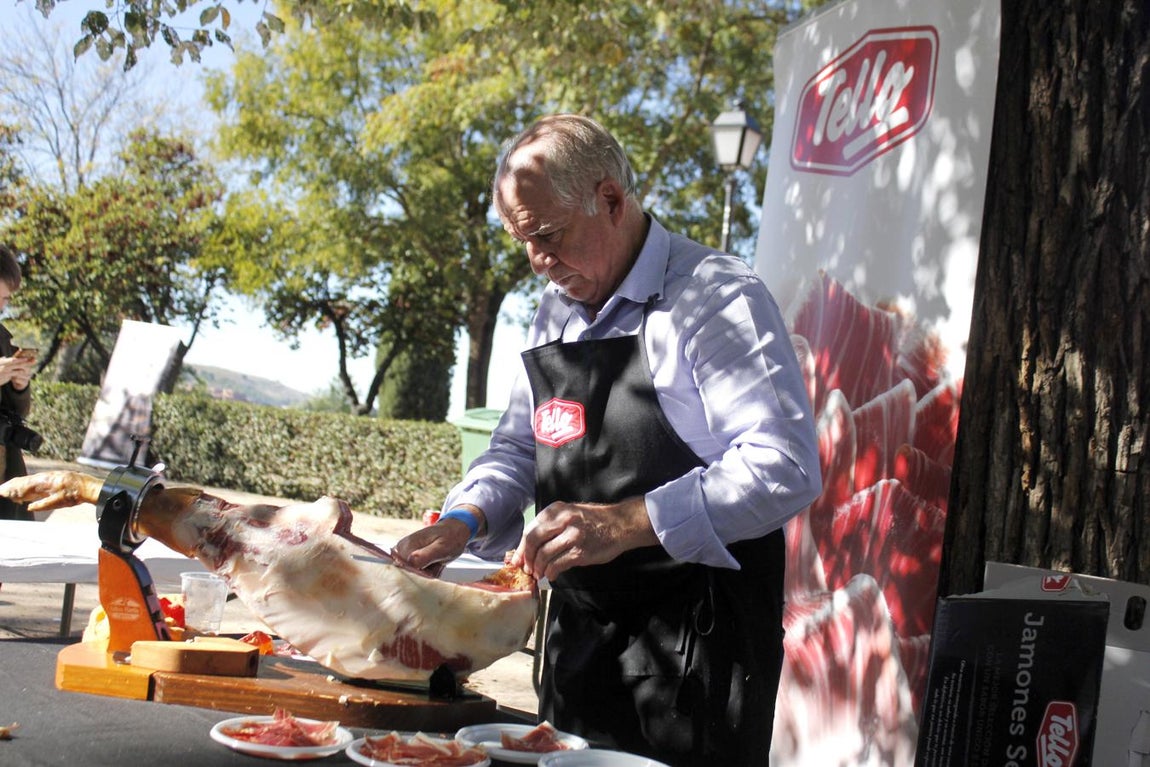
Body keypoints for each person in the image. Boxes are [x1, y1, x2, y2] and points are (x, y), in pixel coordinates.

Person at [394, 115, 821, 765]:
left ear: (612, 199)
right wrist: (463, 520)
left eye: (548, 235)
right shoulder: (553, 311)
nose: (537, 260)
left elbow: (785, 463)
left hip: (694, 662)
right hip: (578, 649)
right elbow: (517, 447)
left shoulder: (715, 298)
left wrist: (627, 520)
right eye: (522, 241)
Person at [0, 244, 35, 521]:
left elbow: (16, 413)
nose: (2, 306)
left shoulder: (2, 339)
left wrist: (18, 387)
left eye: (6, 299)